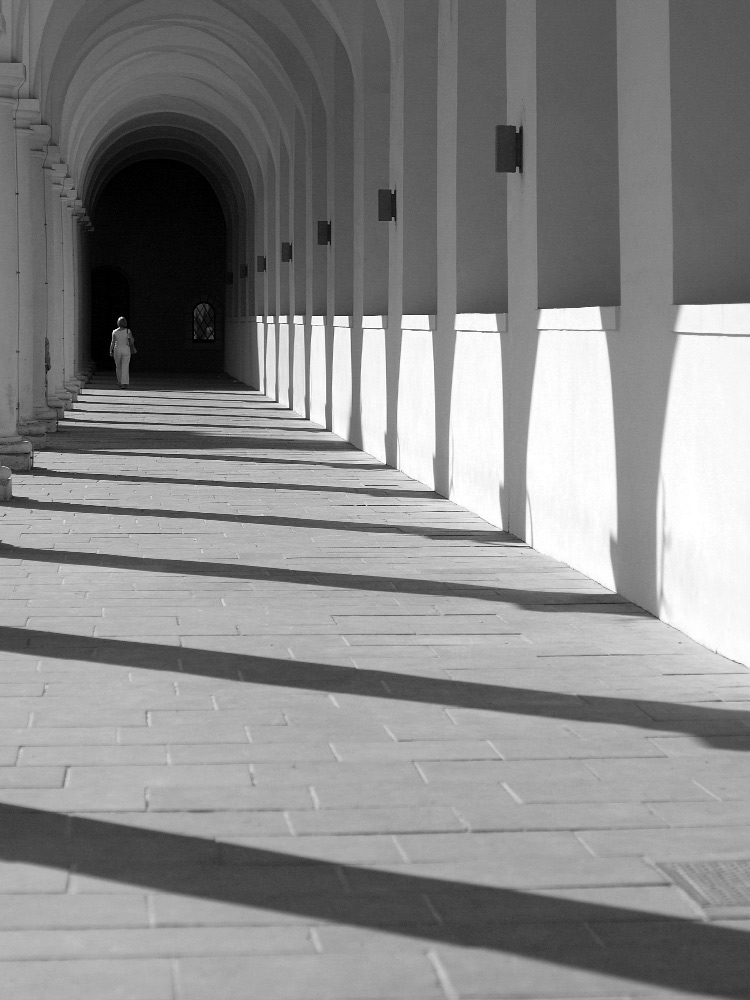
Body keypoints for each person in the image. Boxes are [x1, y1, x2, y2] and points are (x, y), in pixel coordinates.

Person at [109, 317, 136, 388]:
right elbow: (131, 340)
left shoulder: (114, 331)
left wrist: (110, 350)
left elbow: (113, 342)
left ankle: (120, 382)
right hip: (126, 348)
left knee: (118, 366)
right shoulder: (128, 331)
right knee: (125, 366)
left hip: (117, 349)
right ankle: (124, 383)